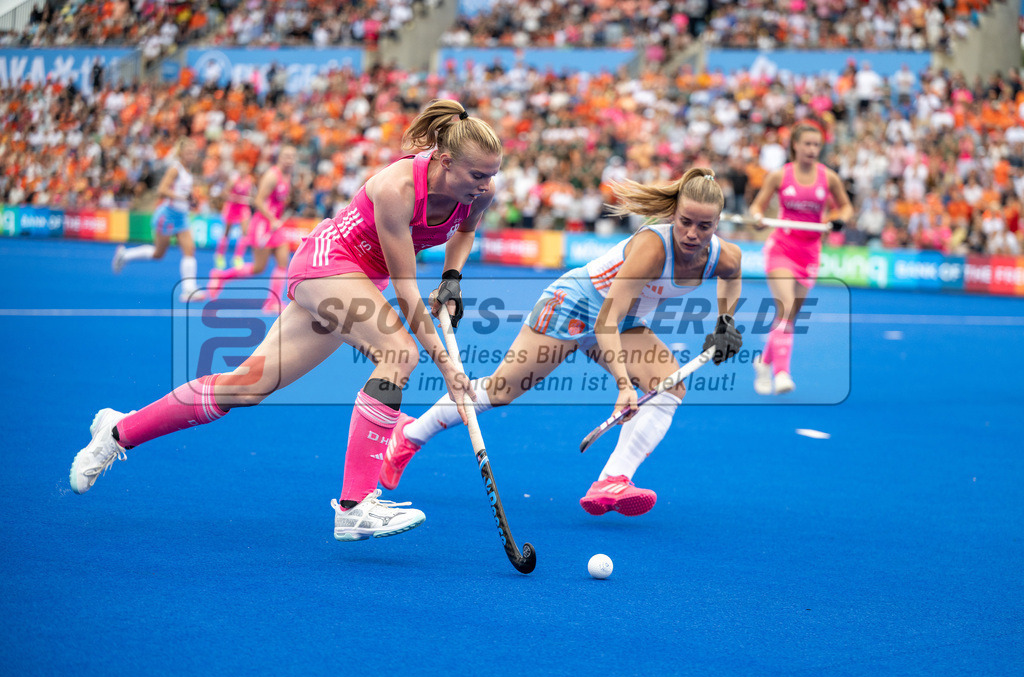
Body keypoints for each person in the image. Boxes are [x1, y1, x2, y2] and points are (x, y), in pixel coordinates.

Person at [71, 100, 503, 543]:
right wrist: (449, 368)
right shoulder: (398, 187)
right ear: (445, 161)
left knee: (247, 387)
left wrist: (452, 278)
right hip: (329, 262)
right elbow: (407, 291)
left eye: (491, 174)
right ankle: (355, 507)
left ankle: (118, 431)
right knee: (398, 352)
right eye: (477, 175)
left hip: (356, 280)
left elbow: (465, 231)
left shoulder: (481, 193)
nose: (486, 184)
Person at [381, 168, 743, 517]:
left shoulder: (724, 256)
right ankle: (410, 435)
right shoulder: (653, 248)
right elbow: (605, 320)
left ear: (718, 223)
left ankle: (612, 480)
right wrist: (623, 385)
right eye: (685, 222)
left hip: (625, 320)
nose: (692, 234)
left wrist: (725, 321)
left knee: (668, 386)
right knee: (501, 390)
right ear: (673, 215)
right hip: (575, 304)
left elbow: (731, 276)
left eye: (704, 226)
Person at [747, 121, 854, 395]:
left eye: (816, 145)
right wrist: (757, 218)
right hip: (782, 248)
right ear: (795, 145)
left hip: (810, 252)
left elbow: (846, 207)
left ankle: (764, 362)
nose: (812, 149)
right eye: (807, 144)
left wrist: (839, 219)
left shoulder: (829, 178)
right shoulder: (779, 176)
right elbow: (756, 207)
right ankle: (782, 373)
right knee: (785, 308)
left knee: (790, 316)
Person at [206, 146, 297, 314]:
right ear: (279, 157)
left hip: (275, 225)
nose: (289, 160)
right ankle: (221, 276)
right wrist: (272, 219)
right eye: (286, 156)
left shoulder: (288, 176)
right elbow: (258, 201)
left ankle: (273, 302)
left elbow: (279, 201)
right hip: (263, 225)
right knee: (258, 268)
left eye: (292, 157)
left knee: (283, 261)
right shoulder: (272, 176)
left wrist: (278, 217)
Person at [112, 138, 204, 302]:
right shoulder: (175, 169)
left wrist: (190, 199)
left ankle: (188, 290)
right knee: (158, 253)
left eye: (193, 152)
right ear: (181, 153)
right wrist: (182, 198)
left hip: (181, 216)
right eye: (188, 152)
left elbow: (183, 192)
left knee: (189, 249)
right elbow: (161, 190)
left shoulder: (188, 170)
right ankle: (125, 255)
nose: (191, 155)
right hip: (168, 215)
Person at [212, 162, 255, 270]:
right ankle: (219, 255)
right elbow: (224, 193)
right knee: (227, 232)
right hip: (232, 207)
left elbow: (250, 195)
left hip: (243, 207)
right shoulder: (233, 180)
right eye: (241, 168)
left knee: (245, 233)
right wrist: (232, 197)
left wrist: (250, 199)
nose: (243, 171)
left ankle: (238, 257)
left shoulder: (249, 180)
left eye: (245, 169)